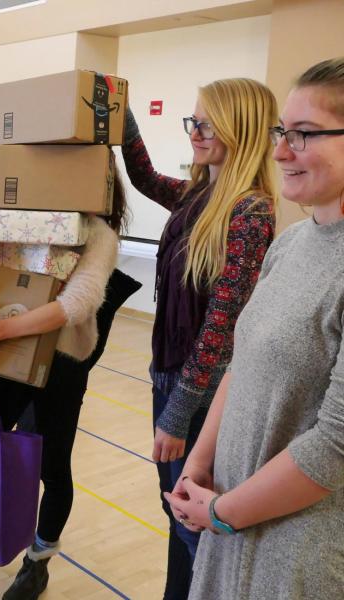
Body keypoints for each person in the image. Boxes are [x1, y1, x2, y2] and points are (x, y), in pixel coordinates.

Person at [165, 57, 344, 600]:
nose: (282, 151)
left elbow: (334, 446)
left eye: (305, 135)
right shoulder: (291, 243)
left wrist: (222, 511)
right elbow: (240, 365)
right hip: (233, 521)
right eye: (280, 132)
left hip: (296, 554)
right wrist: (198, 469)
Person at [0, 173, 129, 600]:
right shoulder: (12, 221)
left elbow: (78, 302)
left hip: (62, 364)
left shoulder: (98, 234)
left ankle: (38, 562)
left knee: (53, 465)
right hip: (0, 360)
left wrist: (3, 329)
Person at [121, 79, 278, 599]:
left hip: (201, 394)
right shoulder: (197, 194)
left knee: (192, 520)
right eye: (193, 121)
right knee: (175, 512)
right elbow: (143, 176)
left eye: (208, 123)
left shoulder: (249, 212)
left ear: (242, 128)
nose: (196, 132)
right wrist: (120, 114)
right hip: (169, 377)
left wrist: (179, 410)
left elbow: (222, 324)